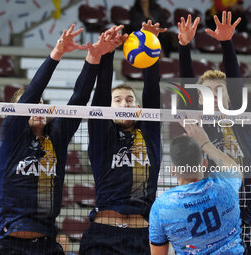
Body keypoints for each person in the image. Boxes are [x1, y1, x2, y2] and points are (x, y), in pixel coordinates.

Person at [0, 24, 120, 255]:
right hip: (9, 244)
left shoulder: (56, 137)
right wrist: (57, 53)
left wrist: (93, 57)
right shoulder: (11, 135)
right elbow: (33, 91)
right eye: (31, 105)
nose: (38, 107)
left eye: (41, 103)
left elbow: (79, 98)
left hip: (46, 244)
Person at [79, 20, 165, 255]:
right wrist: (108, 52)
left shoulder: (149, 134)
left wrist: (150, 43)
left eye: (129, 100)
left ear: (138, 107)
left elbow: (152, 90)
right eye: (117, 100)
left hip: (141, 238)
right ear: (109, 108)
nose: (124, 103)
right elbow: (101, 92)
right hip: (103, 237)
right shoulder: (101, 137)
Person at [177, 12, 251, 254]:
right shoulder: (198, 121)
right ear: (199, 100)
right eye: (208, 92)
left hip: (241, 217)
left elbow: (235, 79)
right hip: (206, 216)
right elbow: (187, 87)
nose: (215, 96)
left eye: (220, 91)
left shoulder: (242, 120)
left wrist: (227, 42)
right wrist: (184, 46)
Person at [149, 119, 245, 254]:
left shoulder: (161, 207)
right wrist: (206, 143)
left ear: (173, 170)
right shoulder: (225, 185)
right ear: (205, 163)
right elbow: (236, 170)